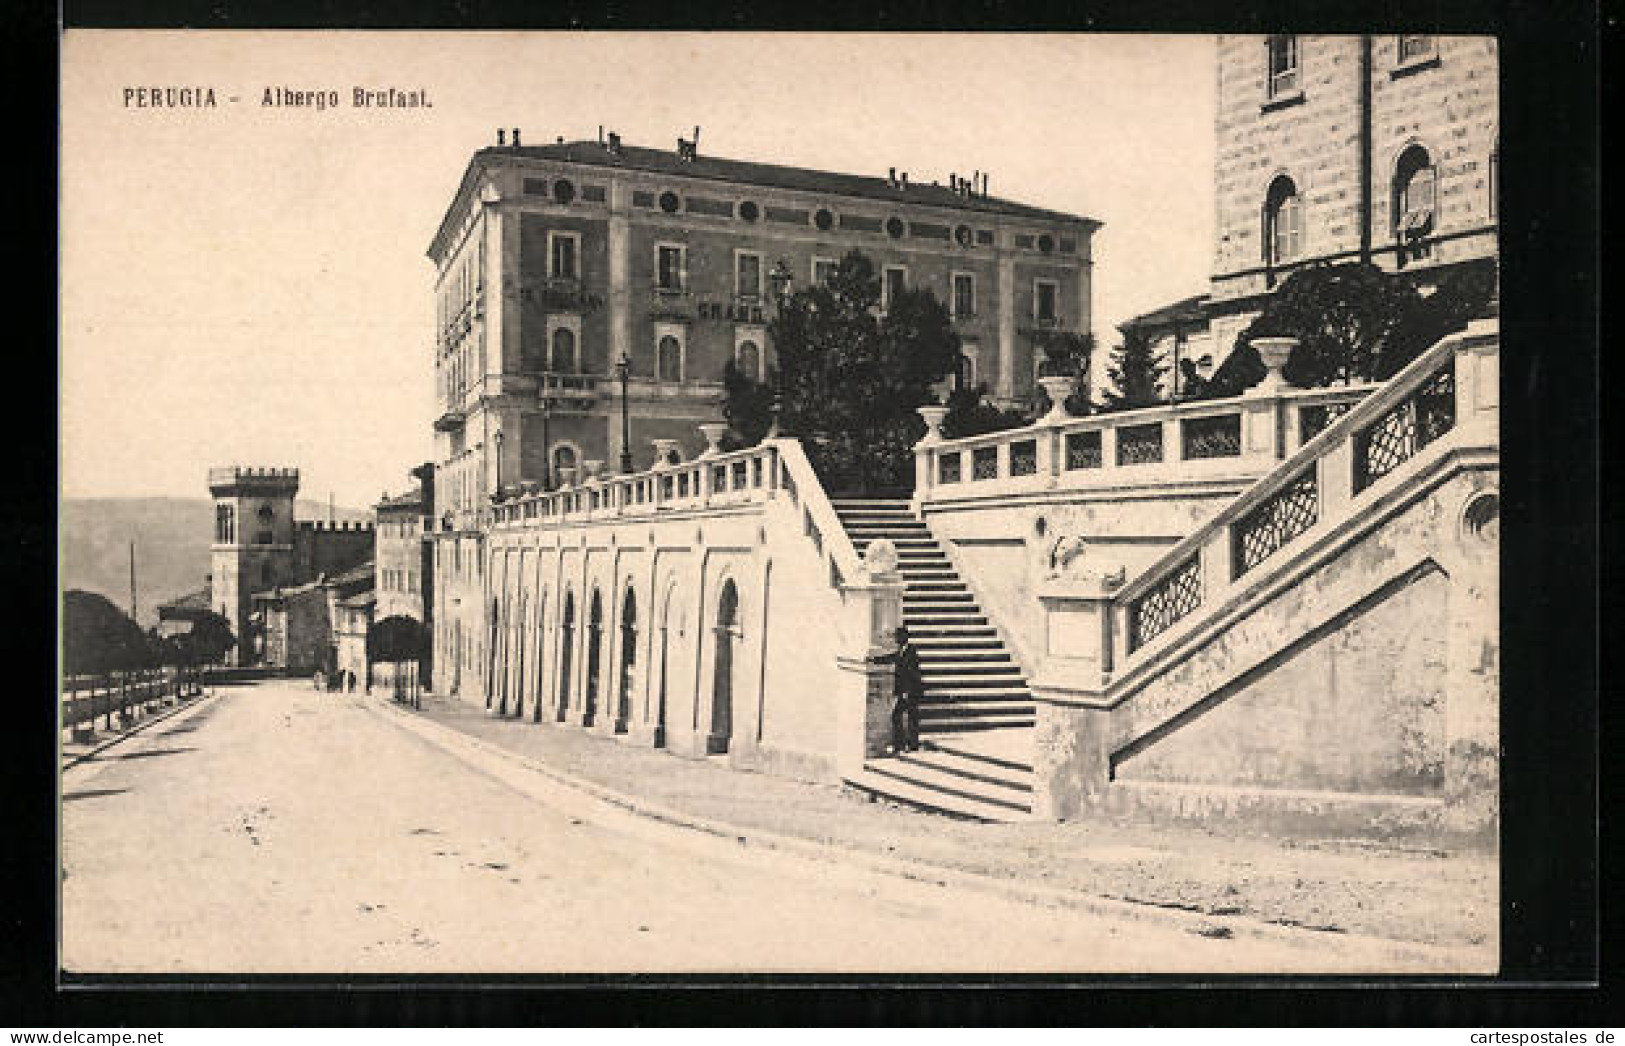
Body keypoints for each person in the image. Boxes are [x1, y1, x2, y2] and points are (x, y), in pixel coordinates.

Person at [869, 625, 923, 754]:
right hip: (906, 692)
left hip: (911, 692)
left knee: (902, 717)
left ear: (904, 638)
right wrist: (874, 660)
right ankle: (905, 745)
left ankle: (907, 745)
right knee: (905, 717)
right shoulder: (901, 651)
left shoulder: (911, 652)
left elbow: (912, 674)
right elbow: (891, 658)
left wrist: (906, 692)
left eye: (898, 637)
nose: (896, 639)